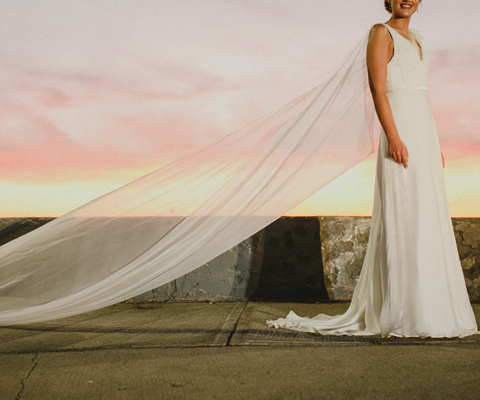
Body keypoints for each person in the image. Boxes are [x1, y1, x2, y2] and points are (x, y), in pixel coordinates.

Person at [267, 0, 479, 338]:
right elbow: (378, 89)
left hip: (423, 136)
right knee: (405, 216)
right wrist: (393, 137)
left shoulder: (419, 39)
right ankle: (404, 311)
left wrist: (433, 143)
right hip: (400, 135)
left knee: (428, 216)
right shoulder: (380, 33)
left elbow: (420, 95)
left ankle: (434, 307)